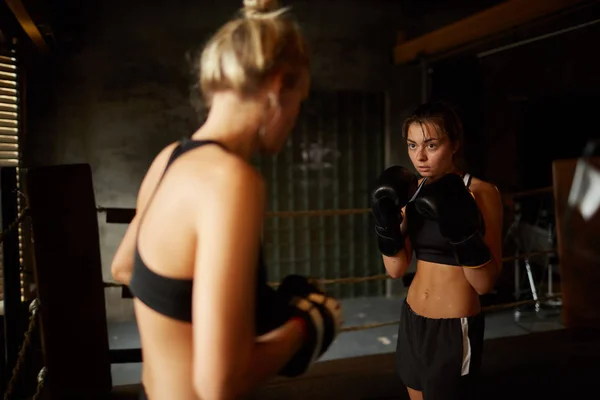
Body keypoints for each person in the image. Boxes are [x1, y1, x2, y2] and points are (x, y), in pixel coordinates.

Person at [110, 1, 343, 399]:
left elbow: (125, 266)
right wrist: (308, 322)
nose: (293, 121)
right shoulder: (232, 180)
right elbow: (219, 384)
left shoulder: (170, 157)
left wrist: (231, 314)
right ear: (277, 87)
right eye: (299, 102)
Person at [371, 101, 503, 400]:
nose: (420, 156)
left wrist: (461, 231)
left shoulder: (480, 192)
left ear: (454, 144)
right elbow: (395, 269)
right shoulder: (411, 191)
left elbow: (486, 284)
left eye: (432, 145)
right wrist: (385, 224)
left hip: (454, 326)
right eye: (412, 145)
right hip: (413, 317)